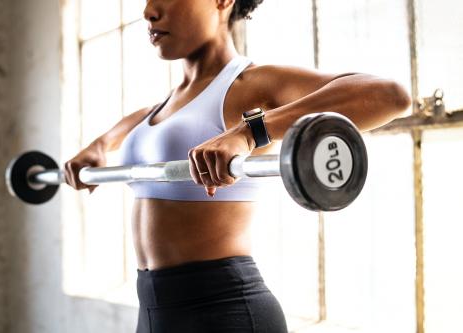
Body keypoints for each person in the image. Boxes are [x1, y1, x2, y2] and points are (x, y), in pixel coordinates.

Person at [64, 0, 412, 332]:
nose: (149, 11)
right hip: (155, 311)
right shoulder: (166, 104)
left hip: (223, 309)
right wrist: (100, 146)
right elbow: (137, 122)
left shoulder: (251, 85)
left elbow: (389, 95)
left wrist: (250, 132)